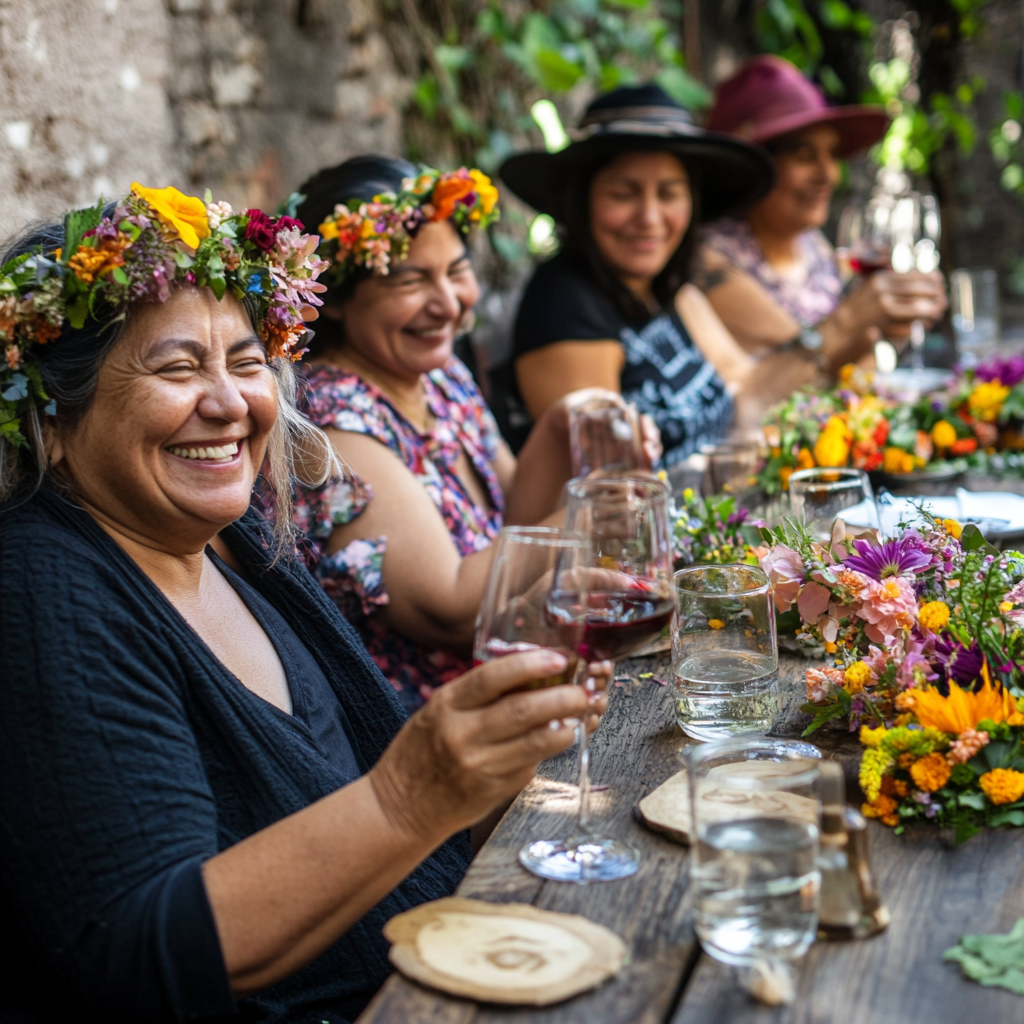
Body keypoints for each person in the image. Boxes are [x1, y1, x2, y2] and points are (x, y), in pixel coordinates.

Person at [0, 186, 608, 1023]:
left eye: (246, 363)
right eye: (178, 368)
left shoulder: (243, 548)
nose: (229, 402)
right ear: (54, 420)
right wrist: (412, 795)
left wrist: (511, 744)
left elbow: (384, 840)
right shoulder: (46, 594)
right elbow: (137, 954)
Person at [278, 157, 651, 713]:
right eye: (409, 279)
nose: (449, 303)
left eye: (456, 271)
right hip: (438, 733)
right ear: (337, 298)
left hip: (522, 678)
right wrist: (590, 511)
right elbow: (453, 608)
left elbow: (514, 521)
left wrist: (562, 423)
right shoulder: (331, 424)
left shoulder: (438, 375)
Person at [494, 83, 775, 465]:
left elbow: (749, 391)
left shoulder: (662, 288)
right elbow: (607, 485)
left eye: (669, 194)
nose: (649, 218)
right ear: (584, 201)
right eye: (623, 194)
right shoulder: (563, 303)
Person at [698, 55, 948, 413]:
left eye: (831, 154)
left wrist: (890, 329)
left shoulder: (813, 247)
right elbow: (797, 364)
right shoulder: (710, 256)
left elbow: (845, 365)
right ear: (751, 167)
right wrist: (860, 321)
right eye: (803, 155)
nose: (828, 174)